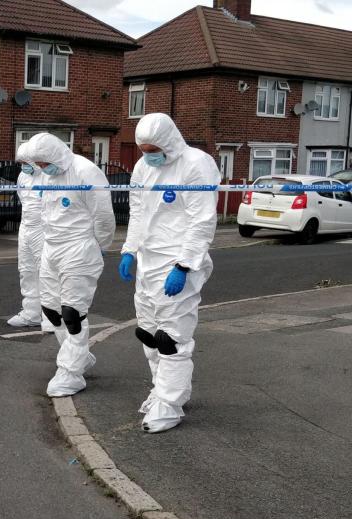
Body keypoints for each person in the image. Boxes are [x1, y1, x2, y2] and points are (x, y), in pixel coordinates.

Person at [118, 113, 220, 433]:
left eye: (153, 149)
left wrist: (184, 264)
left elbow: (201, 220)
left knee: (171, 338)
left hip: (177, 261)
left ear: (169, 141)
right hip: (149, 260)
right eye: (143, 149)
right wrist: (129, 249)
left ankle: (170, 405)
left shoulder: (195, 164)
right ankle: (163, 389)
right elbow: (137, 212)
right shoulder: (143, 167)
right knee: (148, 333)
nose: (148, 155)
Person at [22, 133, 115, 397]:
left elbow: (104, 217)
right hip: (52, 247)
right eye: (37, 165)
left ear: (56, 155)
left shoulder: (86, 172)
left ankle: (71, 372)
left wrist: (99, 246)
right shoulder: (47, 175)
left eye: (43, 163)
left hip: (79, 248)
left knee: (73, 313)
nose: (41, 169)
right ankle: (79, 356)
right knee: (51, 310)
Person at [7, 142, 54, 332]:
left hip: (43, 228)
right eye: (20, 163)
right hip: (25, 227)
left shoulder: (49, 176)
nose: (23, 166)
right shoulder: (23, 176)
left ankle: (50, 317)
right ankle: (31, 313)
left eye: (26, 162)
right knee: (26, 271)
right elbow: (22, 199)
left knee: (46, 272)